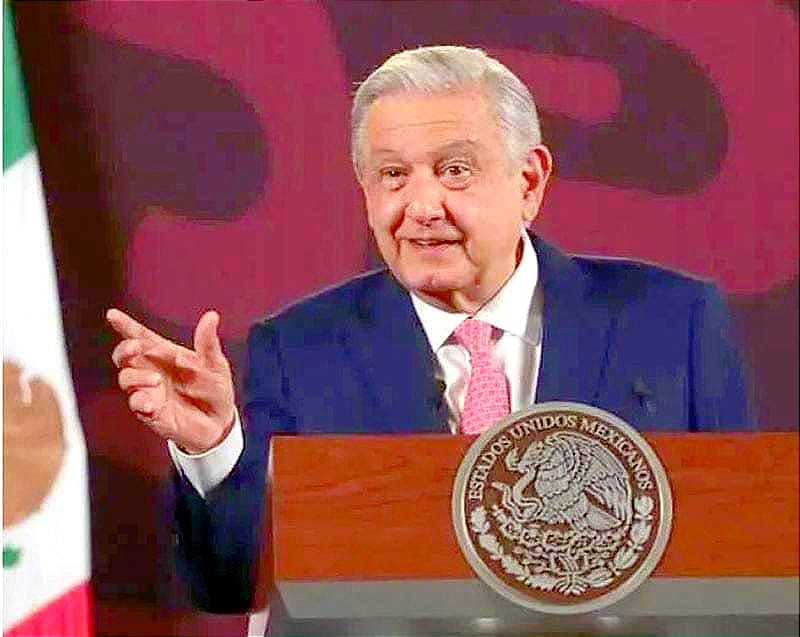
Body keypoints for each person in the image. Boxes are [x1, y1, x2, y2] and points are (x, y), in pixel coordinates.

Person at [107, 45, 753, 612]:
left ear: (529, 182)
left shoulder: (673, 323)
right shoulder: (302, 349)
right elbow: (228, 585)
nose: (420, 207)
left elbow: (749, 559)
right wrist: (215, 449)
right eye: (393, 175)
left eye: (454, 170)